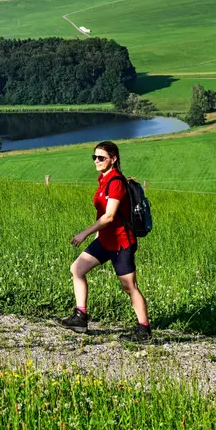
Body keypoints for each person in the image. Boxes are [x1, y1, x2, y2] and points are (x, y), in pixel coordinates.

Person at [59, 141, 151, 343]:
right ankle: (80, 317)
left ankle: (144, 330)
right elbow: (103, 213)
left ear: (114, 159)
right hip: (105, 240)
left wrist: (84, 233)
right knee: (77, 269)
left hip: (121, 242)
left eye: (101, 158)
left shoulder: (116, 182)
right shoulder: (103, 179)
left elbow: (109, 216)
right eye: (94, 157)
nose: (96, 161)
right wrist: (97, 235)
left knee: (129, 286)